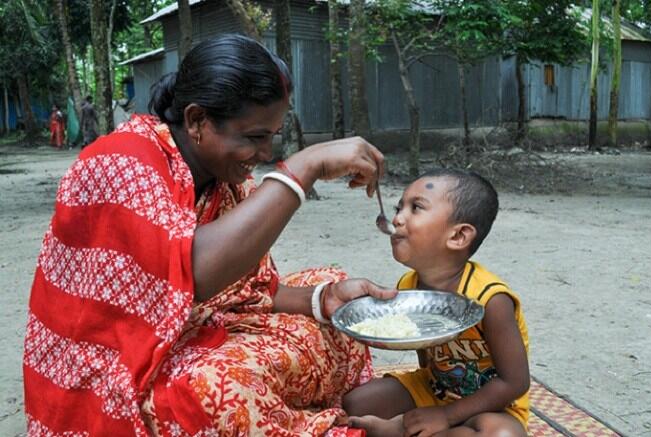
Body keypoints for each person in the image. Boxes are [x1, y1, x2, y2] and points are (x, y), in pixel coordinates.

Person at [23, 35, 396, 436]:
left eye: (272, 135)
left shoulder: (220, 178)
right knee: (222, 389)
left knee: (335, 301)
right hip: (111, 365)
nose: (266, 152)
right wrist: (303, 169)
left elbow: (247, 290)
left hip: (193, 326)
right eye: (254, 137)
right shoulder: (122, 162)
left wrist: (323, 300)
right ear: (197, 120)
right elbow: (197, 274)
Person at [344, 169, 531, 436]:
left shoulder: (490, 298)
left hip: (493, 405)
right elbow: (425, 358)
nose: (397, 218)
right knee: (356, 403)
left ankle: (398, 431)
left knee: (503, 436)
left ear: (458, 237)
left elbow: (515, 382)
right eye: (399, 207)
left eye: (415, 208)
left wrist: (446, 415)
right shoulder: (409, 287)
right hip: (436, 387)